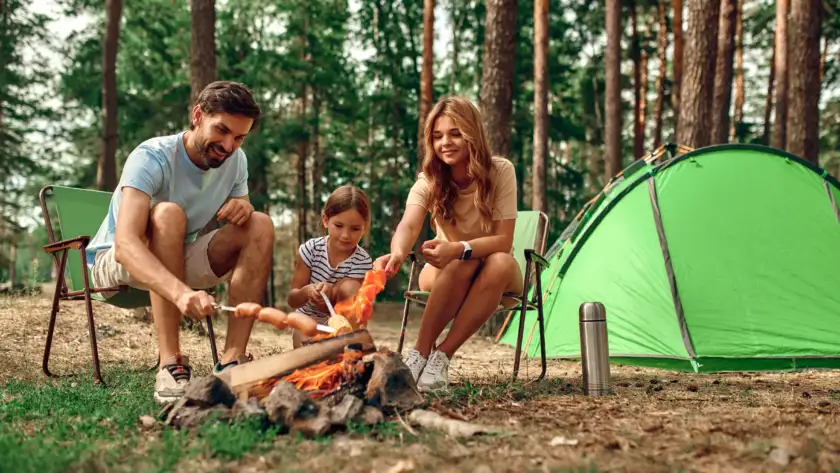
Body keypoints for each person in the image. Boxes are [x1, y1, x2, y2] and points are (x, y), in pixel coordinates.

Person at [86, 81, 274, 404]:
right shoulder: (151, 157)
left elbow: (242, 210)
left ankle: (232, 361)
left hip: (177, 255)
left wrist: (244, 206)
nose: (229, 146)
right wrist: (181, 293)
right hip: (115, 263)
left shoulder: (236, 160)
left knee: (260, 224)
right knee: (169, 215)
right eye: (222, 130)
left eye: (239, 137)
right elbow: (125, 244)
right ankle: (170, 364)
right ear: (198, 115)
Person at [373, 97, 522, 392]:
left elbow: (503, 242)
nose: (446, 143)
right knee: (461, 262)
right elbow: (409, 224)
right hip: (445, 271)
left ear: (472, 133)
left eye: (455, 133)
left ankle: (442, 355)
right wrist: (398, 252)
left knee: (497, 260)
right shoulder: (431, 179)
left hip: (495, 274)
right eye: (437, 136)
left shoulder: (500, 171)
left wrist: (459, 248)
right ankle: (419, 354)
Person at [287, 185, 374, 347]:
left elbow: (350, 301)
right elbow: (292, 299)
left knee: (351, 287)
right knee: (308, 355)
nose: (345, 235)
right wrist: (308, 291)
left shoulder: (362, 262)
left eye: (355, 229)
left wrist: (331, 291)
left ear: (364, 228)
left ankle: (347, 344)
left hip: (343, 325)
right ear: (326, 220)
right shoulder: (311, 250)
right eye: (338, 226)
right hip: (309, 320)